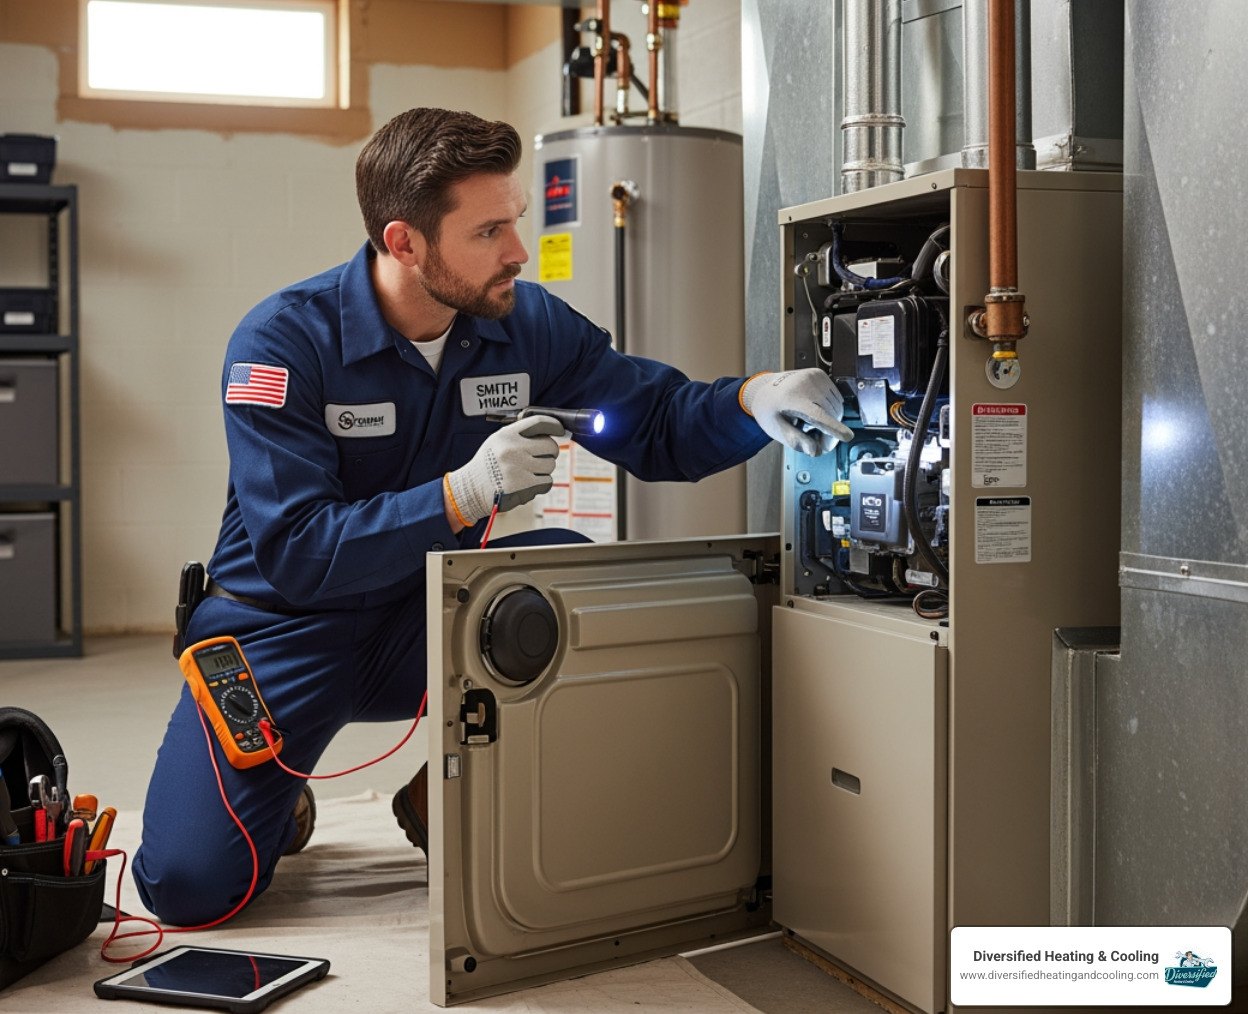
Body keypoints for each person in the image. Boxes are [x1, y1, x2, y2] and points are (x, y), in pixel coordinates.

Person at [133, 107, 852, 925]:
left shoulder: (524, 323)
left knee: (571, 582)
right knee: (190, 889)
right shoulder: (283, 344)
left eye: (516, 221)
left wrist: (753, 397)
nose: (517, 250)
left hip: (427, 611)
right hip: (283, 628)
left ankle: (433, 797)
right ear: (404, 242)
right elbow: (298, 550)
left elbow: (655, 424)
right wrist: (462, 494)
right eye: (488, 232)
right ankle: (282, 794)